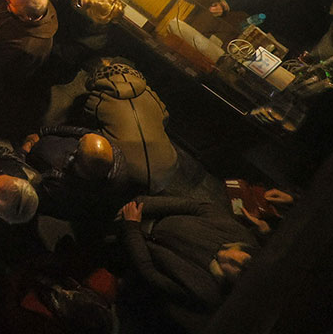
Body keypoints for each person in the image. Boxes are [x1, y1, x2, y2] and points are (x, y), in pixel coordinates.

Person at [118, 197, 256, 310]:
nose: (229, 257)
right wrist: (139, 205)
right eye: (243, 259)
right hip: (150, 215)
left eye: (236, 270)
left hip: (132, 247)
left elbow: (150, 273)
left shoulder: (206, 293)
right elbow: (196, 206)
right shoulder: (238, 234)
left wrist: (131, 228)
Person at [77, 60, 178, 194]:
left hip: (128, 174)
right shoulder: (150, 94)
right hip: (168, 165)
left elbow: (86, 123)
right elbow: (165, 118)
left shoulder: (97, 99)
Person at [21, 126, 130, 222]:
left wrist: (22, 154)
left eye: (77, 149)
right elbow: (77, 131)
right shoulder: (111, 151)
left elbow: (31, 194)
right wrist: (42, 132)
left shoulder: (64, 189)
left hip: (28, 160)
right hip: (39, 143)